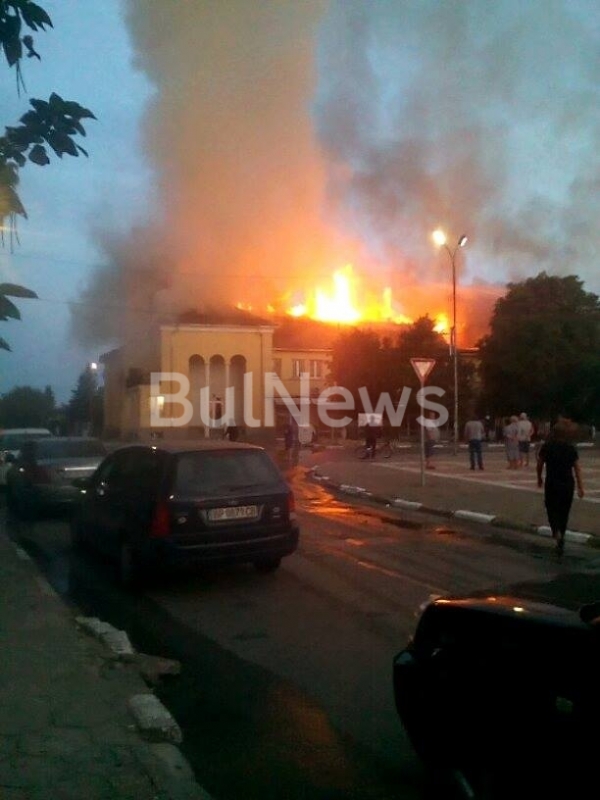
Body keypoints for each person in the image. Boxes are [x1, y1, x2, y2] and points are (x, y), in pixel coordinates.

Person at [536, 422, 584, 556]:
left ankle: (555, 531)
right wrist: (580, 487)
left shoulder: (547, 447)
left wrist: (539, 478)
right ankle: (561, 535)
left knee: (551, 507)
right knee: (564, 511)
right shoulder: (570, 448)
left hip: (552, 482)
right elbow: (577, 468)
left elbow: (539, 464)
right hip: (568, 483)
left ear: (553, 433)